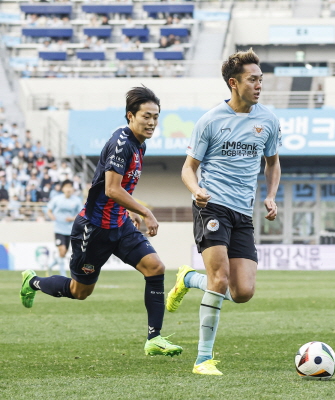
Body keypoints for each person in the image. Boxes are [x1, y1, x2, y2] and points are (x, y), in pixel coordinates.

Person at [19, 86, 183, 357]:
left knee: (155, 268)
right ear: (130, 116)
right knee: (80, 291)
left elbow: (121, 188)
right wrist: (146, 212)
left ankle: (154, 338)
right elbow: (111, 189)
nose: (152, 122)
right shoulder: (122, 144)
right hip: (93, 229)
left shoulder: (139, 143)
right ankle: (33, 282)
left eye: (156, 117)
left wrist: (129, 210)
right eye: (146, 116)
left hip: (120, 224)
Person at [165, 48, 281, 376]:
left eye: (260, 80)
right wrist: (196, 190)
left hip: (243, 213)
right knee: (219, 279)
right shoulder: (210, 121)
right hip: (212, 206)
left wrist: (271, 195)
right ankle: (203, 359)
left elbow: (273, 163)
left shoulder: (268, 121)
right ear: (234, 83)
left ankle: (188, 278)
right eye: (252, 80)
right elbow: (188, 168)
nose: (259, 85)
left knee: (242, 292)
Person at [46, 180, 82, 277]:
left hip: (70, 230)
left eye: (70, 187)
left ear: (72, 189)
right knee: (62, 250)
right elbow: (49, 210)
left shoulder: (76, 200)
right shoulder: (57, 199)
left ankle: (50, 265)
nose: (68, 189)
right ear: (62, 189)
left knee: (63, 253)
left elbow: (81, 214)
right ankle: (64, 276)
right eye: (66, 187)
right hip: (59, 229)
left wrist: (72, 218)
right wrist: (51, 216)